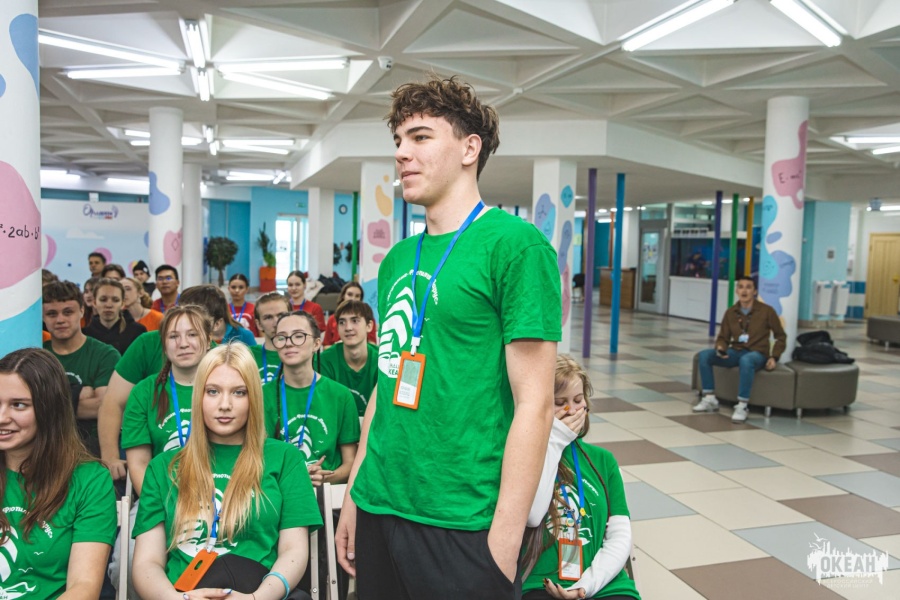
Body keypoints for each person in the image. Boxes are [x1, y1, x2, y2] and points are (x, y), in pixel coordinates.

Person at [336, 75, 561, 599]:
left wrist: (504, 542)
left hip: (463, 520)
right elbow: (387, 383)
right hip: (379, 504)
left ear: (469, 148)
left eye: (420, 137)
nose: (402, 153)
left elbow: (536, 404)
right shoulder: (397, 259)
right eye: (398, 140)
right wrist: (355, 494)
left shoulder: (516, 247)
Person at [131, 343, 323, 599]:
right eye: (212, 391)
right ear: (198, 396)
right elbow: (147, 563)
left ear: (253, 398)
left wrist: (256, 599)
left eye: (239, 393)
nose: (225, 404)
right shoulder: (163, 467)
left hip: (260, 592)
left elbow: (294, 551)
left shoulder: (285, 458)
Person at [0, 347, 117, 599]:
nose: (2, 417)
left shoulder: (89, 480)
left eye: (18, 405)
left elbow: (84, 587)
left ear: (48, 409)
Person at [521, 355, 640, 600]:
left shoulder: (603, 460)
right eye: (560, 403)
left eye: (578, 400)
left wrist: (586, 585)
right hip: (541, 583)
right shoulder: (525, 455)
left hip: (603, 584)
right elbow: (533, 516)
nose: (572, 410)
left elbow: (620, 537)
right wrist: (555, 440)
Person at [98, 286, 220, 481]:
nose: (183, 343)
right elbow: (113, 402)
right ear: (163, 342)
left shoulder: (226, 380)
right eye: (174, 335)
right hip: (162, 490)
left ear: (208, 339)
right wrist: (110, 458)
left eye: (193, 333)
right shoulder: (144, 390)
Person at [263, 312, 359, 486]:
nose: (289, 343)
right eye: (281, 337)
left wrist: (325, 477)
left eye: (298, 336)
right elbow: (257, 460)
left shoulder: (341, 395)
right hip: (280, 491)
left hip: (328, 493)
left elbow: (350, 463)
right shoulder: (261, 396)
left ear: (316, 344)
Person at [693, 276, 787, 423]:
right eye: (741, 287)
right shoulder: (731, 312)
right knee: (704, 356)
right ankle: (709, 398)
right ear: (737, 291)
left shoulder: (766, 311)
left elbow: (780, 336)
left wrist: (774, 357)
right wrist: (721, 349)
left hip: (757, 353)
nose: (744, 291)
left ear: (755, 291)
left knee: (746, 360)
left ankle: (742, 406)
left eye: (748, 287)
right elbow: (723, 337)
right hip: (735, 351)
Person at [43, 281, 121, 457]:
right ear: (43, 317)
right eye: (52, 314)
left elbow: (103, 407)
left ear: (82, 311)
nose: (60, 320)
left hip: (92, 450)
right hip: (45, 449)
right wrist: (77, 393)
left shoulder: (106, 355)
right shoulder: (37, 355)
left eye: (68, 312)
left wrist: (46, 404)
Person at [318, 300, 378, 417]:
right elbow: (325, 410)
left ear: (369, 326)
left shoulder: (384, 361)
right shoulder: (323, 361)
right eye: (342, 322)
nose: (348, 328)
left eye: (355, 321)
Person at [83, 277, 148, 355]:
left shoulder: (138, 331)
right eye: (103, 299)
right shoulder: (84, 335)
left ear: (122, 304)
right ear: (94, 303)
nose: (109, 305)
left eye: (115, 300)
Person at [251, 292, 291, 384]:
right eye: (268, 317)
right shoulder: (248, 356)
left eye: (281, 315)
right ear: (259, 324)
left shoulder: (306, 356)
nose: (276, 322)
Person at [322, 282, 377, 347]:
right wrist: (338, 347)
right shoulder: (332, 319)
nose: (353, 298)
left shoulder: (368, 318)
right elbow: (326, 345)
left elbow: (372, 345)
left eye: (357, 296)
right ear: (343, 296)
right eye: (350, 294)